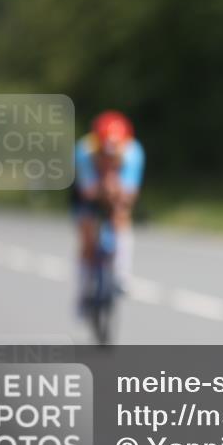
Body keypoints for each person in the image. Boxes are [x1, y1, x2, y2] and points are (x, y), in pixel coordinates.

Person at [73, 111, 145, 315]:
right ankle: (83, 291)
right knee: (87, 237)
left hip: (115, 193)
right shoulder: (83, 151)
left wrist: (116, 191)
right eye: (104, 155)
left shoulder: (133, 153)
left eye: (114, 156)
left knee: (121, 216)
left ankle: (122, 275)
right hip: (89, 193)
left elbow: (130, 194)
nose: (108, 159)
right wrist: (104, 187)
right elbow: (87, 192)